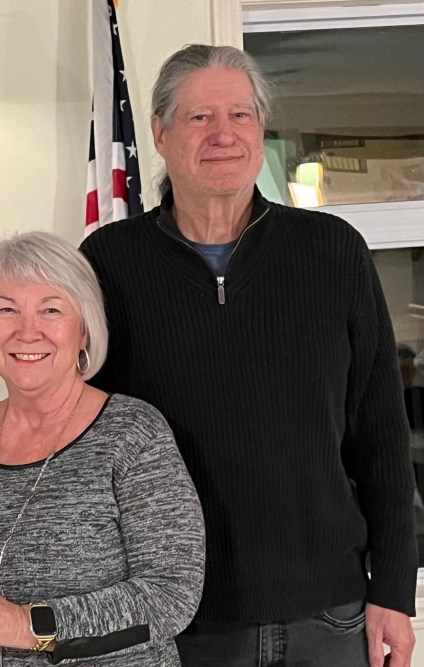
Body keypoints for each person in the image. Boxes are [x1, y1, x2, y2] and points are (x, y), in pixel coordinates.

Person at [81, 44, 417, 667]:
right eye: (200, 117)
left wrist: (394, 590)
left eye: (240, 114)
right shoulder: (108, 264)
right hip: (181, 620)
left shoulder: (333, 252)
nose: (223, 134)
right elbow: (86, 442)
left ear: (260, 131)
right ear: (159, 133)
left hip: (330, 614)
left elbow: (381, 436)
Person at [0, 231, 205, 666]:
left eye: (51, 310)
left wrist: (25, 624)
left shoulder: (132, 432)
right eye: (6, 310)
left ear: (84, 330)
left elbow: (171, 595)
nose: (27, 331)